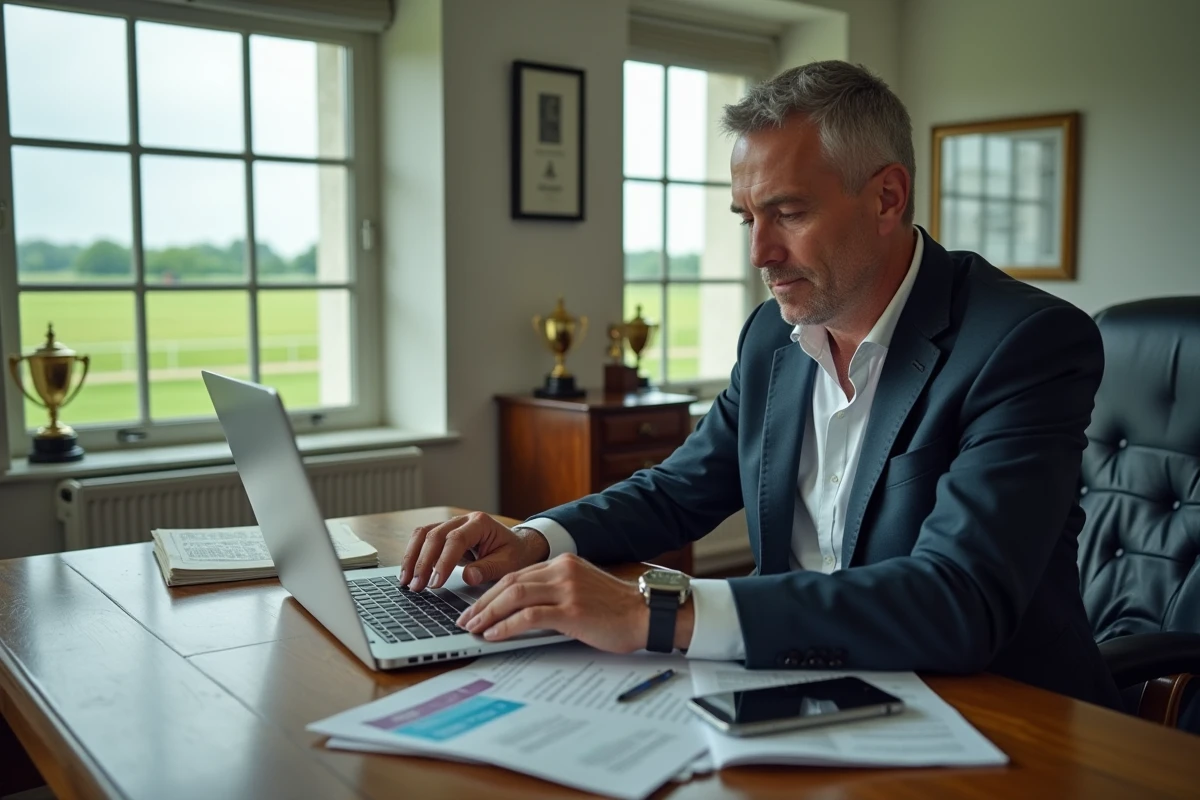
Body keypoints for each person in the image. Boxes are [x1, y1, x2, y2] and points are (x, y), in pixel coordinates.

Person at [400, 60, 1122, 709]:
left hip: (997, 715)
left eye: (790, 212)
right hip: (793, 686)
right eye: (748, 217)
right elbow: (680, 489)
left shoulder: (1022, 344)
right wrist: (535, 538)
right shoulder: (771, 337)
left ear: (887, 197)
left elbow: (957, 599)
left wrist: (658, 611)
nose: (759, 253)